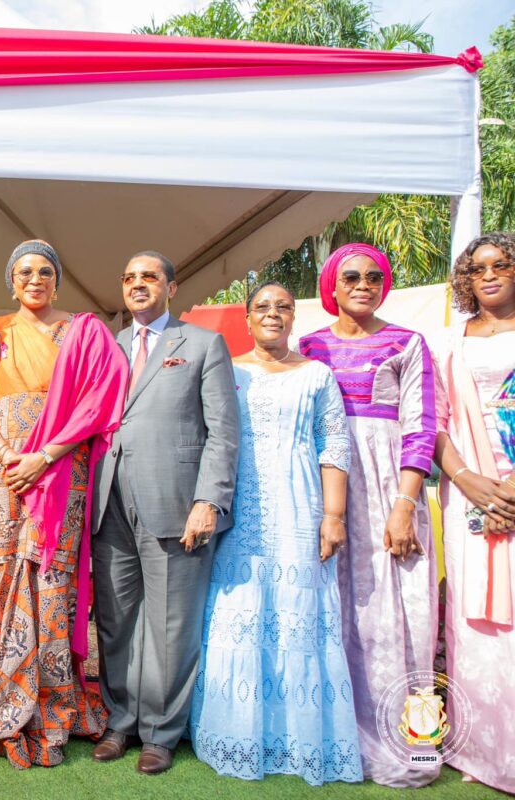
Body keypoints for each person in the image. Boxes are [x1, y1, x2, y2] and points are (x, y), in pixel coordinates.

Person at [0, 240, 127, 768]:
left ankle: (55, 711)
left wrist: (47, 455)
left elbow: (102, 399)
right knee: (2, 584)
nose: (35, 279)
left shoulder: (83, 331)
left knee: (53, 585)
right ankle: (2, 707)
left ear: (58, 280)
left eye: (46, 272)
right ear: (11, 280)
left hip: (63, 471)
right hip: (1, 472)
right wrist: (11, 454)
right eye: (25, 272)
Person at [190, 281, 362, 786]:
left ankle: (298, 737)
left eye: (282, 307)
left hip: (298, 502)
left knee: (297, 611)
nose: (272, 314)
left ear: (294, 317)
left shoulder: (317, 376)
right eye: (262, 307)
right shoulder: (228, 371)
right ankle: (235, 732)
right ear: (246, 319)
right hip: (237, 503)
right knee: (237, 606)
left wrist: (333, 515)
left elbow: (334, 445)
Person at [91, 250, 239, 775]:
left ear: (171, 287)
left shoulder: (202, 344)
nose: (137, 285)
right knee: (115, 621)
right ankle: (120, 721)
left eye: (149, 277)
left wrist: (209, 499)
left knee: (171, 624)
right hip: (108, 500)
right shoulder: (110, 347)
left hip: (177, 504)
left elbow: (223, 431)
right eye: (129, 277)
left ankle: (160, 731)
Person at [299, 243, 439, 788]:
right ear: (331, 286)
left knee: (403, 612)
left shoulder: (408, 343)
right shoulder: (309, 347)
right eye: (351, 276)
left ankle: (419, 747)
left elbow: (421, 425)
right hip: (324, 483)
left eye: (374, 276)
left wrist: (405, 506)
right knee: (333, 607)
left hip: (388, 489)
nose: (363, 284)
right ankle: (335, 735)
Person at [433, 233, 515, 794]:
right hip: (468, 490)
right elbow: (433, 420)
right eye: (478, 268)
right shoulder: (448, 342)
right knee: (472, 622)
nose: (488, 275)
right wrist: (469, 481)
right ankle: (481, 752)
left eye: (501, 265)